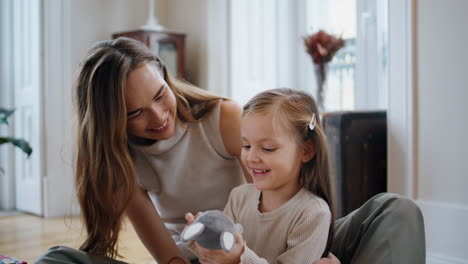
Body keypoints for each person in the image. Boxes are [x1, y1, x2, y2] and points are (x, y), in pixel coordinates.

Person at [36, 37, 426, 264]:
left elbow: (273, 209)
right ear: (111, 122)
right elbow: (171, 259)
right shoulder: (122, 164)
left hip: (279, 242)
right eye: (135, 113)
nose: (158, 117)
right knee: (60, 259)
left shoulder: (222, 119)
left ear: (167, 77)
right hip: (206, 259)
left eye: (160, 95)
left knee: (396, 211)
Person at [186, 88, 335, 263]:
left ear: (306, 151)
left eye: (267, 148)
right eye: (246, 146)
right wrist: (202, 238)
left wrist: (238, 258)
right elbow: (221, 253)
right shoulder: (239, 197)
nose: (251, 158)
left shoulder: (313, 214)